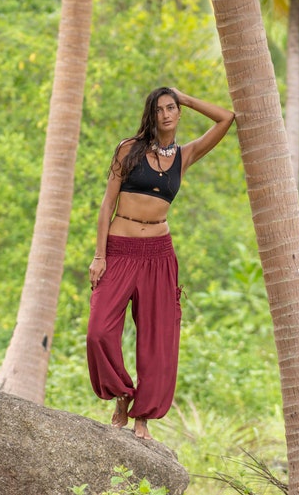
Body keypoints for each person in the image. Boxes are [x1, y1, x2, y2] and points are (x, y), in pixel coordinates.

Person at [86, 86, 234, 440]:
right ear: (150, 115)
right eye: (159, 109)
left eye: (171, 108)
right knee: (99, 332)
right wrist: (99, 255)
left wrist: (186, 98)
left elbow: (226, 118)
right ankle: (122, 393)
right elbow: (107, 205)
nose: (166, 114)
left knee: (157, 339)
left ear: (179, 113)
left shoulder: (185, 155)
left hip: (159, 255)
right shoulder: (128, 149)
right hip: (120, 250)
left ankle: (142, 420)